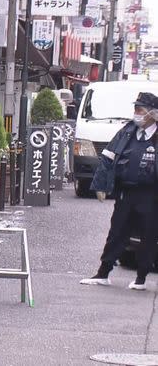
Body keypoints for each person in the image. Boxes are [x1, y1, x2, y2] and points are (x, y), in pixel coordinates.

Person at [80, 92, 158, 290]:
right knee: (117, 232)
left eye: (140, 110)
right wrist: (100, 185)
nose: (136, 114)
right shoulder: (128, 131)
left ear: (152, 113)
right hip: (126, 192)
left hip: (151, 195)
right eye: (135, 109)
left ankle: (141, 279)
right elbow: (107, 156)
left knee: (148, 236)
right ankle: (103, 273)